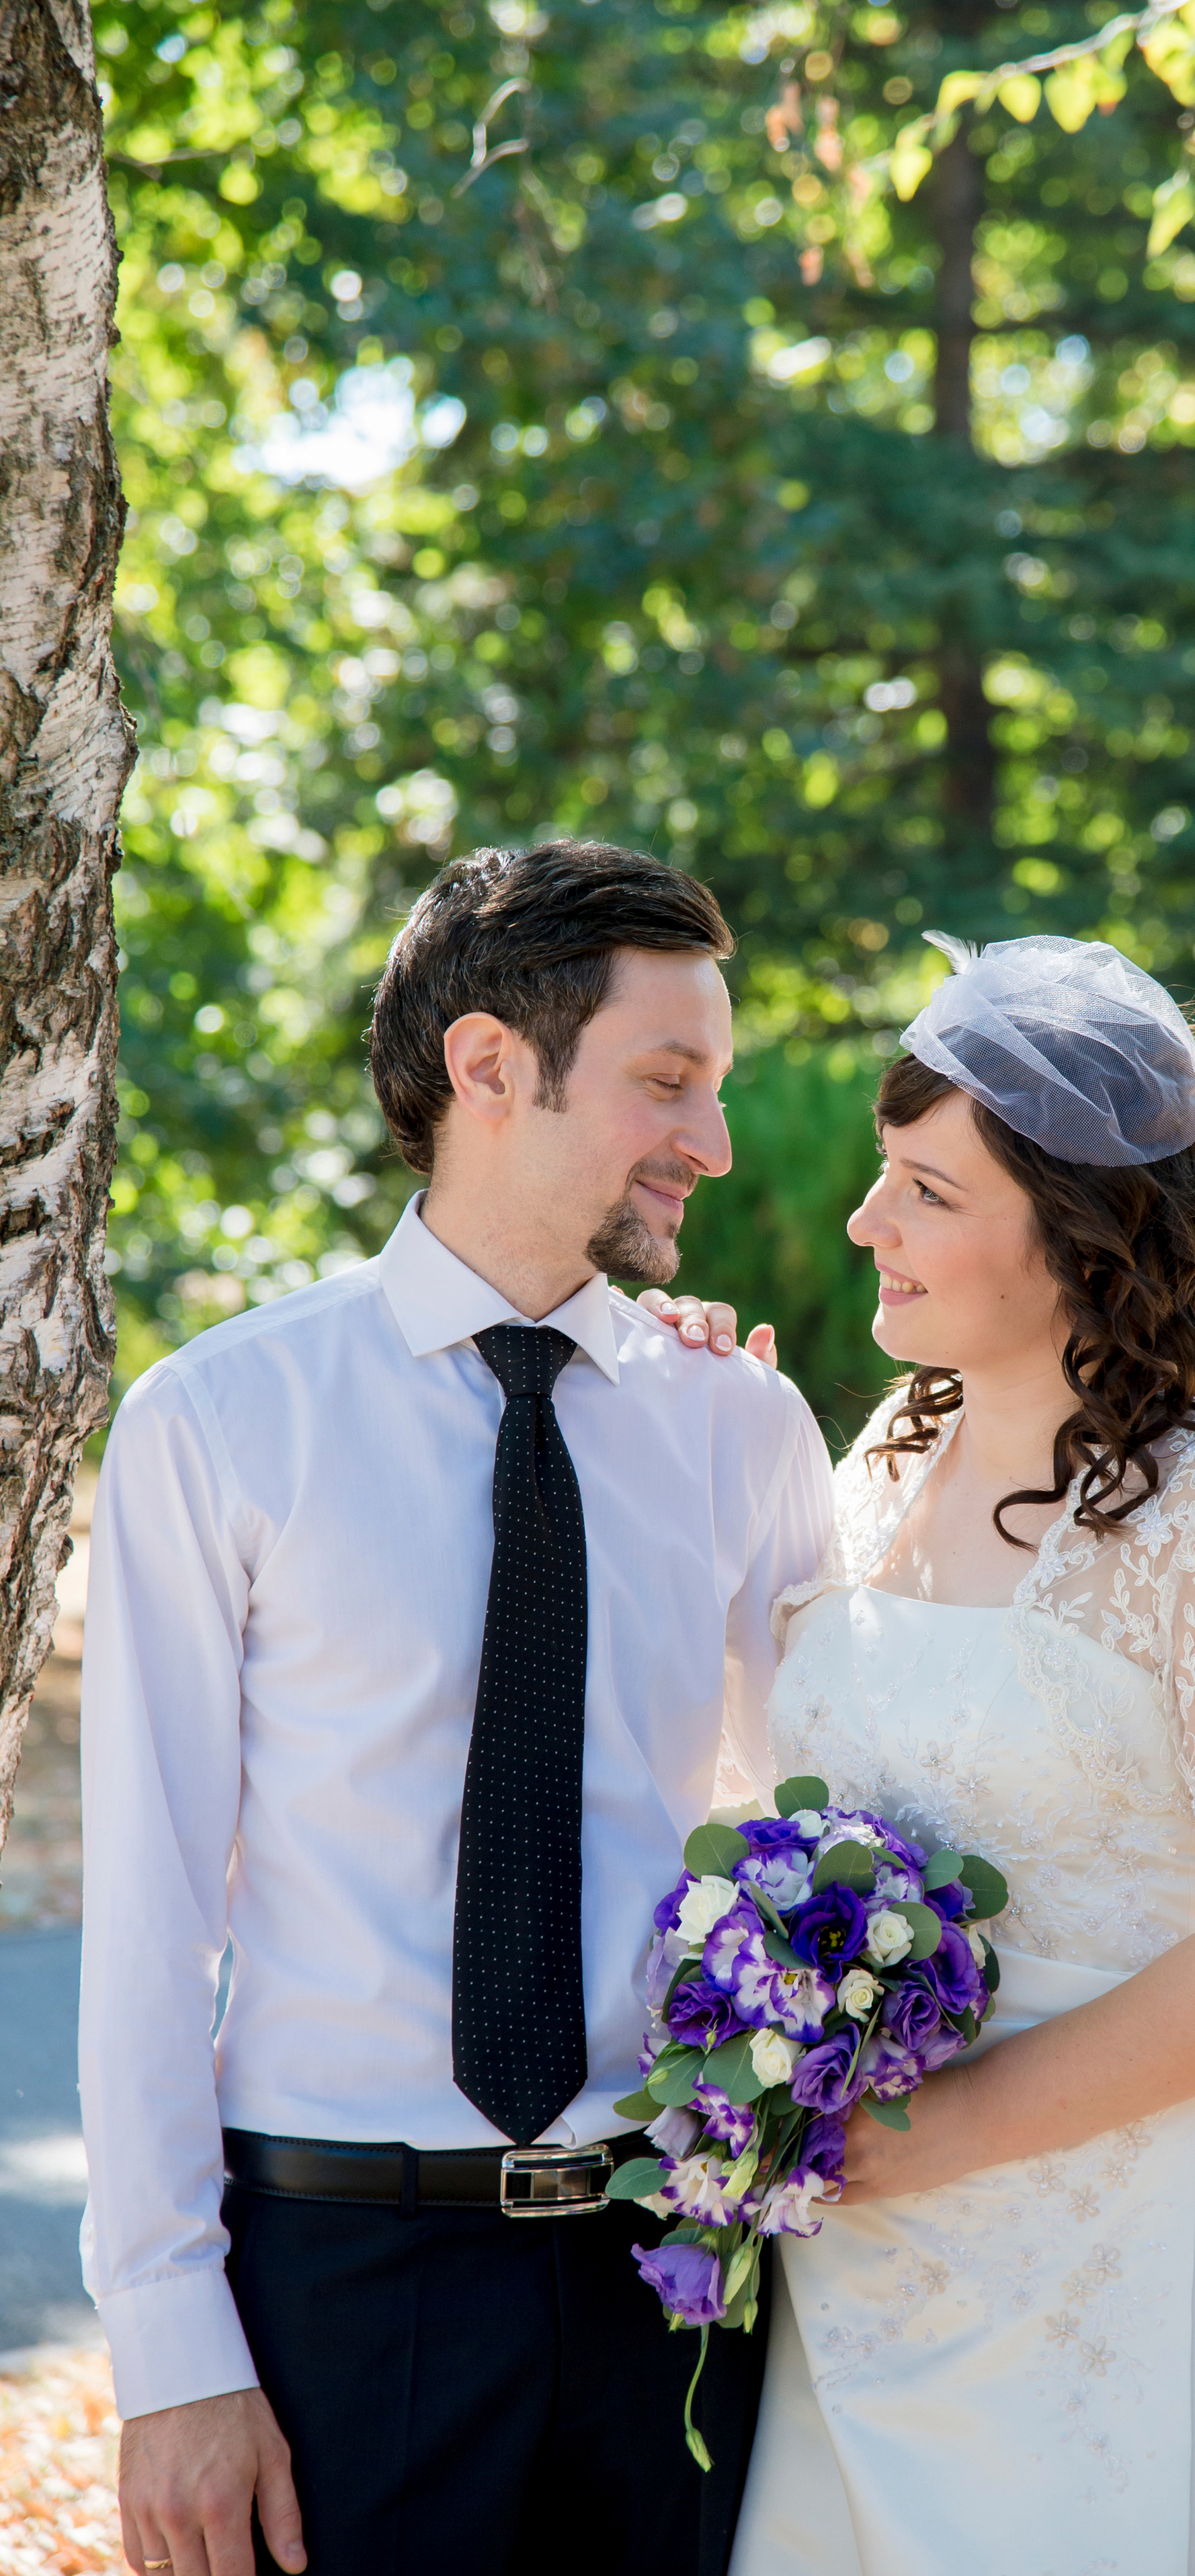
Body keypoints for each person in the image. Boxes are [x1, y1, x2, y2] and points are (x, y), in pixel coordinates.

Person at [78, 840, 831, 2576]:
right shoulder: (222, 1423)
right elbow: (150, 1910)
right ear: (490, 1066)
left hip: (677, 2282)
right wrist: (172, 2353)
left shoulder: (739, 1427)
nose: (710, 1143)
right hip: (340, 2283)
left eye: (714, 1087)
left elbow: (820, 1823)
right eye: (668, 1082)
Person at [727, 935, 1195, 2575]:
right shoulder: (870, 1465)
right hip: (856, 2282)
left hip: (1130, 2268)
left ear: (1073, 1233)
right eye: (878, 1180)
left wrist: (932, 2139)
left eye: (922, 1190)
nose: (863, 1226)